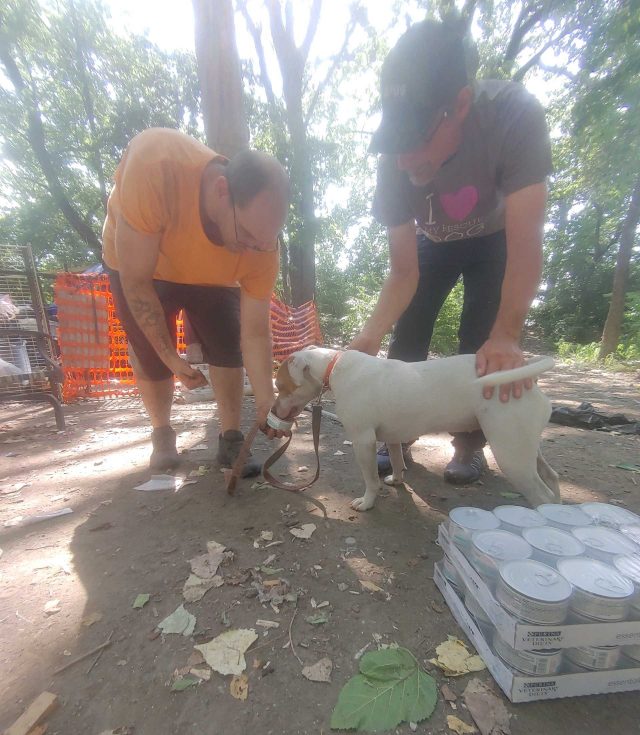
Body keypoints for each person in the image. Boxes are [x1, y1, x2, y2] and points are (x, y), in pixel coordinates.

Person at [349, 18, 553, 484]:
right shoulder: (394, 163)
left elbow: (526, 246)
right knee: (407, 334)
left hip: (495, 239)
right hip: (433, 242)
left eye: (415, 138)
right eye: (395, 141)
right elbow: (403, 272)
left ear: (460, 104)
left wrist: (507, 334)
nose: (403, 161)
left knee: (482, 342)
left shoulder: (513, 116)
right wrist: (368, 335)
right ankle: (395, 435)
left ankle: (469, 446)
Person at [102, 128, 290, 475]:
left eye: (264, 241)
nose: (255, 249)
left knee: (227, 341)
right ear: (222, 191)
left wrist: (265, 400)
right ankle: (162, 433)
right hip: (143, 262)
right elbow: (137, 284)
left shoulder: (260, 245)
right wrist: (172, 359)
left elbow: (255, 334)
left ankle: (231, 438)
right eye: (248, 234)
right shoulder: (156, 162)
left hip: (213, 269)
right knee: (150, 351)